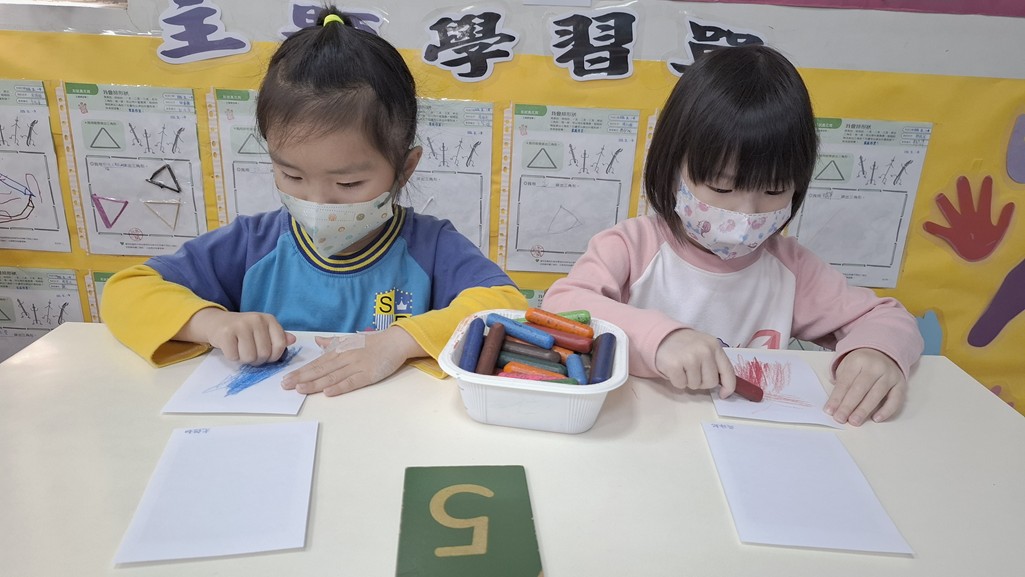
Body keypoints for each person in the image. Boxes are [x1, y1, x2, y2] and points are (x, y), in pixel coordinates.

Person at [102, 8, 526, 396]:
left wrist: (399, 341)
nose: (317, 201)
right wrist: (212, 323)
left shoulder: (429, 247)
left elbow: (506, 307)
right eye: (292, 176)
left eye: (348, 183)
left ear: (405, 168)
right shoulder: (253, 244)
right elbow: (126, 291)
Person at [542, 45, 923, 426]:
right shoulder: (631, 246)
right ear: (672, 170)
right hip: (640, 432)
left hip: (744, 436)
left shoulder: (791, 269)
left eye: (774, 191)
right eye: (722, 188)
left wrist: (878, 352)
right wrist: (660, 339)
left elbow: (888, 318)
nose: (747, 214)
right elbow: (561, 306)